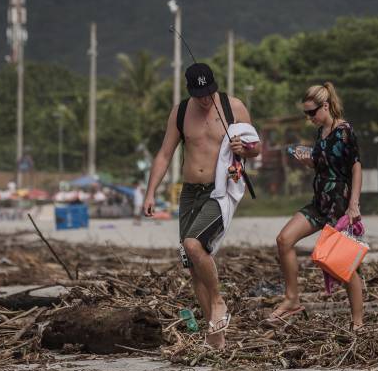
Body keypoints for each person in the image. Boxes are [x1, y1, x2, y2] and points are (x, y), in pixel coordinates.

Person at [143, 63, 260, 349]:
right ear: (190, 92)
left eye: (209, 94)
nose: (205, 100)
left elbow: (256, 148)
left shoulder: (234, 108)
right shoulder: (181, 112)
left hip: (220, 190)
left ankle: (219, 302)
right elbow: (164, 154)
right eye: (200, 95)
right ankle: (215, 335)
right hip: (189, 193)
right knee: (194, 265)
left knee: (194, 245)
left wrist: (244, 150)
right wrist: (150, 193)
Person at [269, 82, 365, 332]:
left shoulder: (344, 131)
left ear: (325, 106)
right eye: (306, 113)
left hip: (339, 204)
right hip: (319, 202)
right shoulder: (320, 132)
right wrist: (308, 161)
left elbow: (355, 166)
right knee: (284, 240)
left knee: (341, 265)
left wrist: (354, 204)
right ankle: (292, 299)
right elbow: (323, 165)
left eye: (312, 112)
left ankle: (358, 322)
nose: (309, 118)